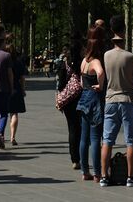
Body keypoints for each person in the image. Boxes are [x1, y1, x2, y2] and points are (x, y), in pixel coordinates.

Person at [100, 31, 133, 187]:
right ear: (124, 41)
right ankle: (131, 177)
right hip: (128, 100)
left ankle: (104, 176)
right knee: (131, 141)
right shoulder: (131, 57)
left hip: (110, 100)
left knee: (107, 140)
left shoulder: (106, 56)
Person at [77, 23, 108, 182]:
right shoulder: (96, 60)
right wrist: (100, 85)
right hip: (95, 99)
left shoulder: (84, 60)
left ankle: (84, 170)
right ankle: (97, 172)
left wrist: (87, 86)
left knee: (84, 138)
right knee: (96, 137)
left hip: (84, 97)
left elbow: (81, 81)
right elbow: (101, 72)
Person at [56, 33, 85, 169]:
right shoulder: (83, 64)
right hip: (81, 99)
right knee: (81, 129)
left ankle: (75, 159)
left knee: (72, 129)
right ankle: (82, 156)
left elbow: (60, 84)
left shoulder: (64, 64)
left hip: (68, 101)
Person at [6, 34, 27, 146]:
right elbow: (23, 78)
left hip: (5, 89)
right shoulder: (19, 62)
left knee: (4, 114)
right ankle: (12, 136)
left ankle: (0, 134)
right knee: (14, 114)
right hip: (16, 89)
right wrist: (23, 90)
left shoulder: (4, 62)